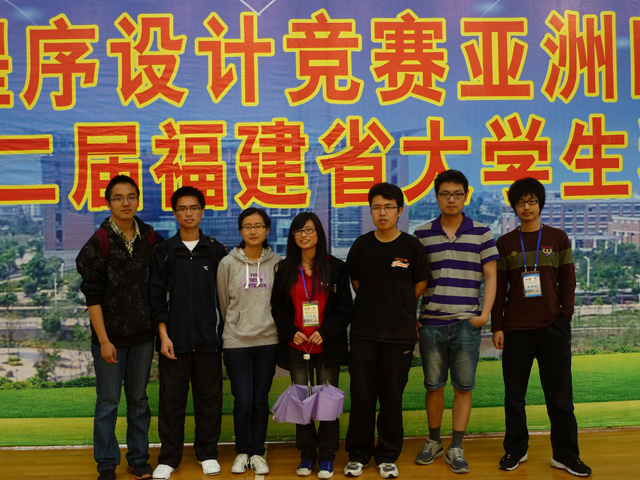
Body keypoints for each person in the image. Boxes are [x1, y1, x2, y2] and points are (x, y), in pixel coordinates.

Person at [491, 178, 592, 477]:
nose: (527, 207)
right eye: (521, 202)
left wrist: (565, 316)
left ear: (540, 204)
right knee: (514, 396)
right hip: (516, 330)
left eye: (532, 201)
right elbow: (499, 289)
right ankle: (516, 449)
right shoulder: (505, 242)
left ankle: (566, 455)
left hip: (553, 329)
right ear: (514, 206)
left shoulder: (558, 238)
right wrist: (498, 326)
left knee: (560, 398)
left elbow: (568, 281)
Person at [76, 175, 163, 480]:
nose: (126, 203)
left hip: (142, 337)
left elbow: (168, 272)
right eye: (118, 197)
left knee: (139, 401)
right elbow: (92, 297)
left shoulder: (151, 238)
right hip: (109, 339)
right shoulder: (98, 242)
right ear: (108, 202)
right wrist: (103, 340)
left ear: (138, 200)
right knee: (108, 403)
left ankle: (138, 459)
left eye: (131, 196)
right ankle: (106, 465)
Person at [413, 169, 498, 474]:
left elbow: (491, 276)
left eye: (457, 194)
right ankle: (434, 441)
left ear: (466, 196)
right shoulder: (421, 234)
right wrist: (413, 317)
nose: (451, 199)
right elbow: (414, 280)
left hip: (466, 322)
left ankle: (456, 446)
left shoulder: (482, 232)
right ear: (436, 197)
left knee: (463, 387)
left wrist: (484, 316)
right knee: (433, 386)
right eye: (445, 194)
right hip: (432, 322)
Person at [343, 182, 429, 480]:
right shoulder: (361, 245)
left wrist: (401, 304)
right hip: (364, 333)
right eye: (377, 207)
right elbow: (355, 281)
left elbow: (420, 282)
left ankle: (387, 456)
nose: (383, 213)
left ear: (399, 211)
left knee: (392, 398)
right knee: (362, 397)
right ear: (371, 211)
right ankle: (358, 455)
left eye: (389, 207)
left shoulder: (411, 246)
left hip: (399, 334)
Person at [149, 186, 227, 480]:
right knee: (171, 403)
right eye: (182, 208)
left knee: (209, 401)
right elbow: (156, 298)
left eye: (194, 207)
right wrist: (164, 336)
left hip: (209, 341)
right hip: (174, 342)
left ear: (202, 211)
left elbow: (226, 298)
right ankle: (169, 458)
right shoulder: (164, 251)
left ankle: (207, 454)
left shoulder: (216, 250)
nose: (188, 213)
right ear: (175, 213)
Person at [271, 212, 352, 480]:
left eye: (308, 230)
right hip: (298, 348)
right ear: (292, 236)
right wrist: (291, 331)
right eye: (298, 231)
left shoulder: (336, 267)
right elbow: (277, 307)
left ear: (318, 233)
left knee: (328, 404)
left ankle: (327, 456)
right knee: (302, 403)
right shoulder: (284, 269)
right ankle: (307, 454)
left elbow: (345, 309)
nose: (303, 235)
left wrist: (325, 332)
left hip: (327, 347)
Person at [216, 208, 282, 475]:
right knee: (243, 400)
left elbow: (279, 302)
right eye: (247, 226)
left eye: (258, 226)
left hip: (268, 340)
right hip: (236, 341)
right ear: (240, 230)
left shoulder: (277, 263)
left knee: (260, 401)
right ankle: (242, 452)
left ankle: (257, 452)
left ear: (267, 230)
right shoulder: (227, 263)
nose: (253, 231)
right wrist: (236, 324)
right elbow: (223, 303)